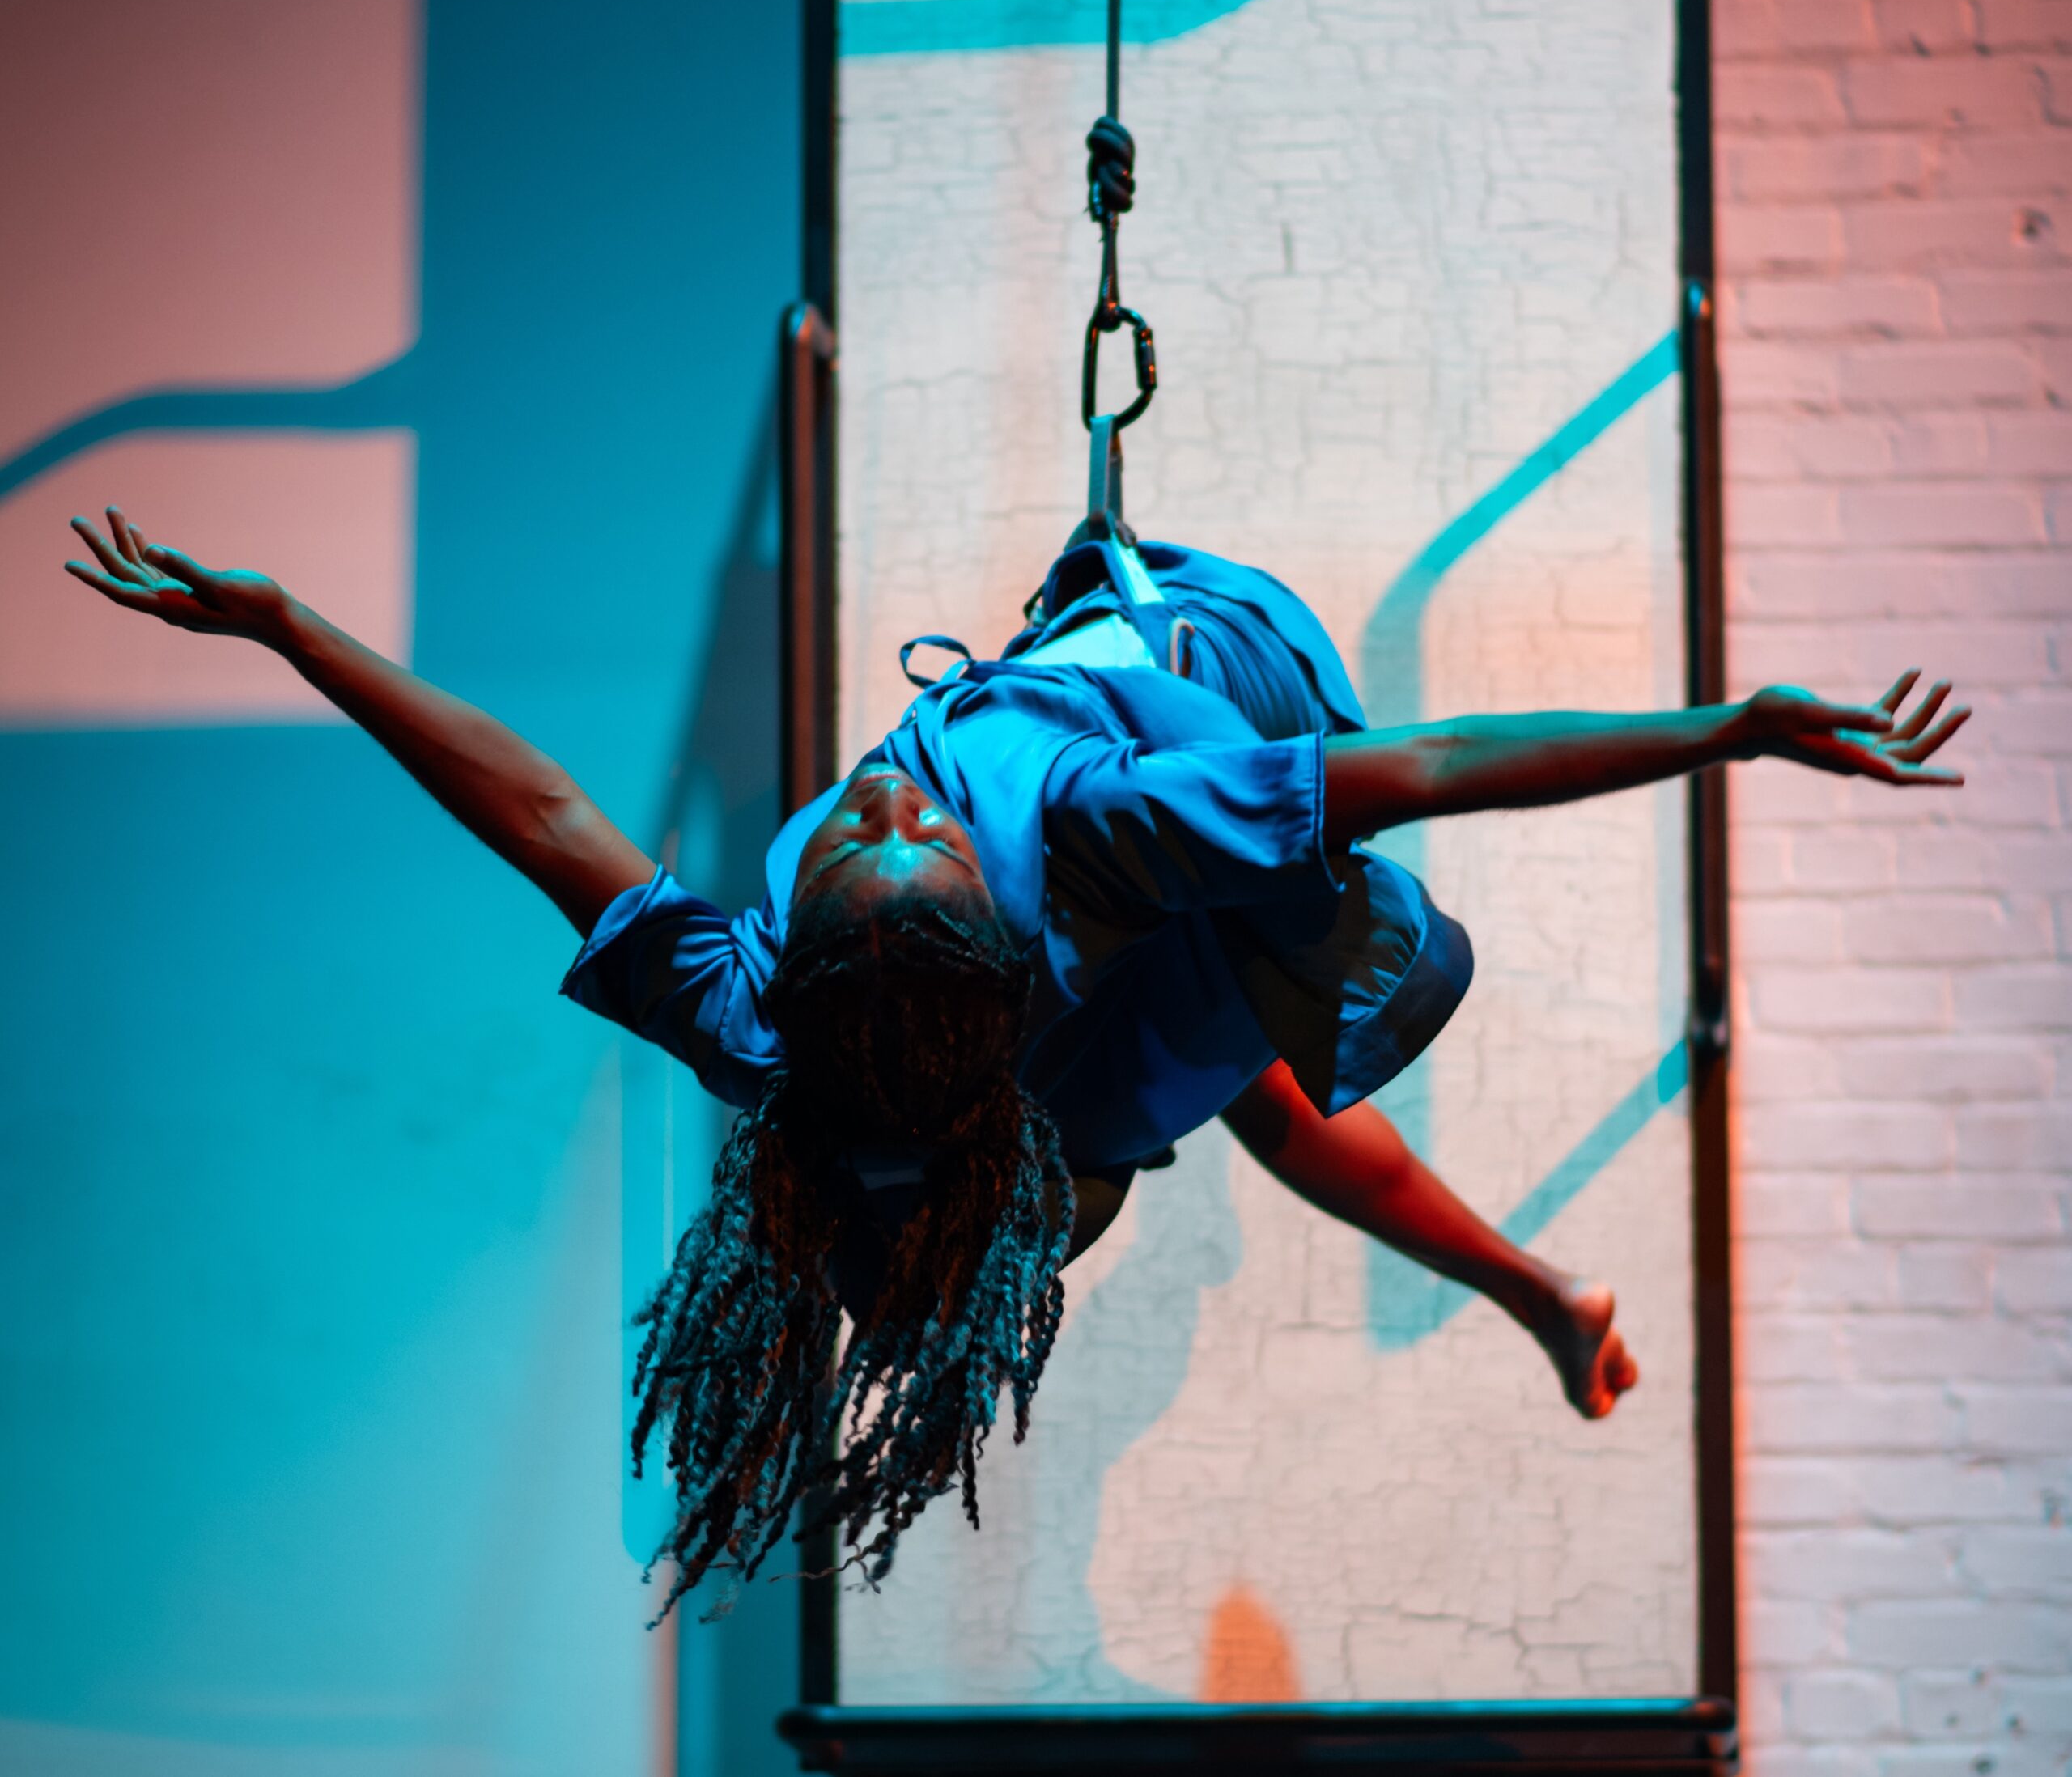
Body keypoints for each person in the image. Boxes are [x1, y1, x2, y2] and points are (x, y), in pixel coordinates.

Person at [64, 505, 1967, 1613]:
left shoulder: (758, 1016)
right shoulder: (1122, 835)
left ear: (790, 967)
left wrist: (289, 624)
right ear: (981, 899)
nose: (878, 794)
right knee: (1248, 1085)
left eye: (857, 829)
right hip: (1219, 691)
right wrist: (1731, 725)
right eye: (906, 831)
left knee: (1262, 1116)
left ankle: (1531, 1286)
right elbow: (1447, 766)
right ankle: (1483, 1267)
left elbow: (544, 811)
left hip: (1063, 1037)